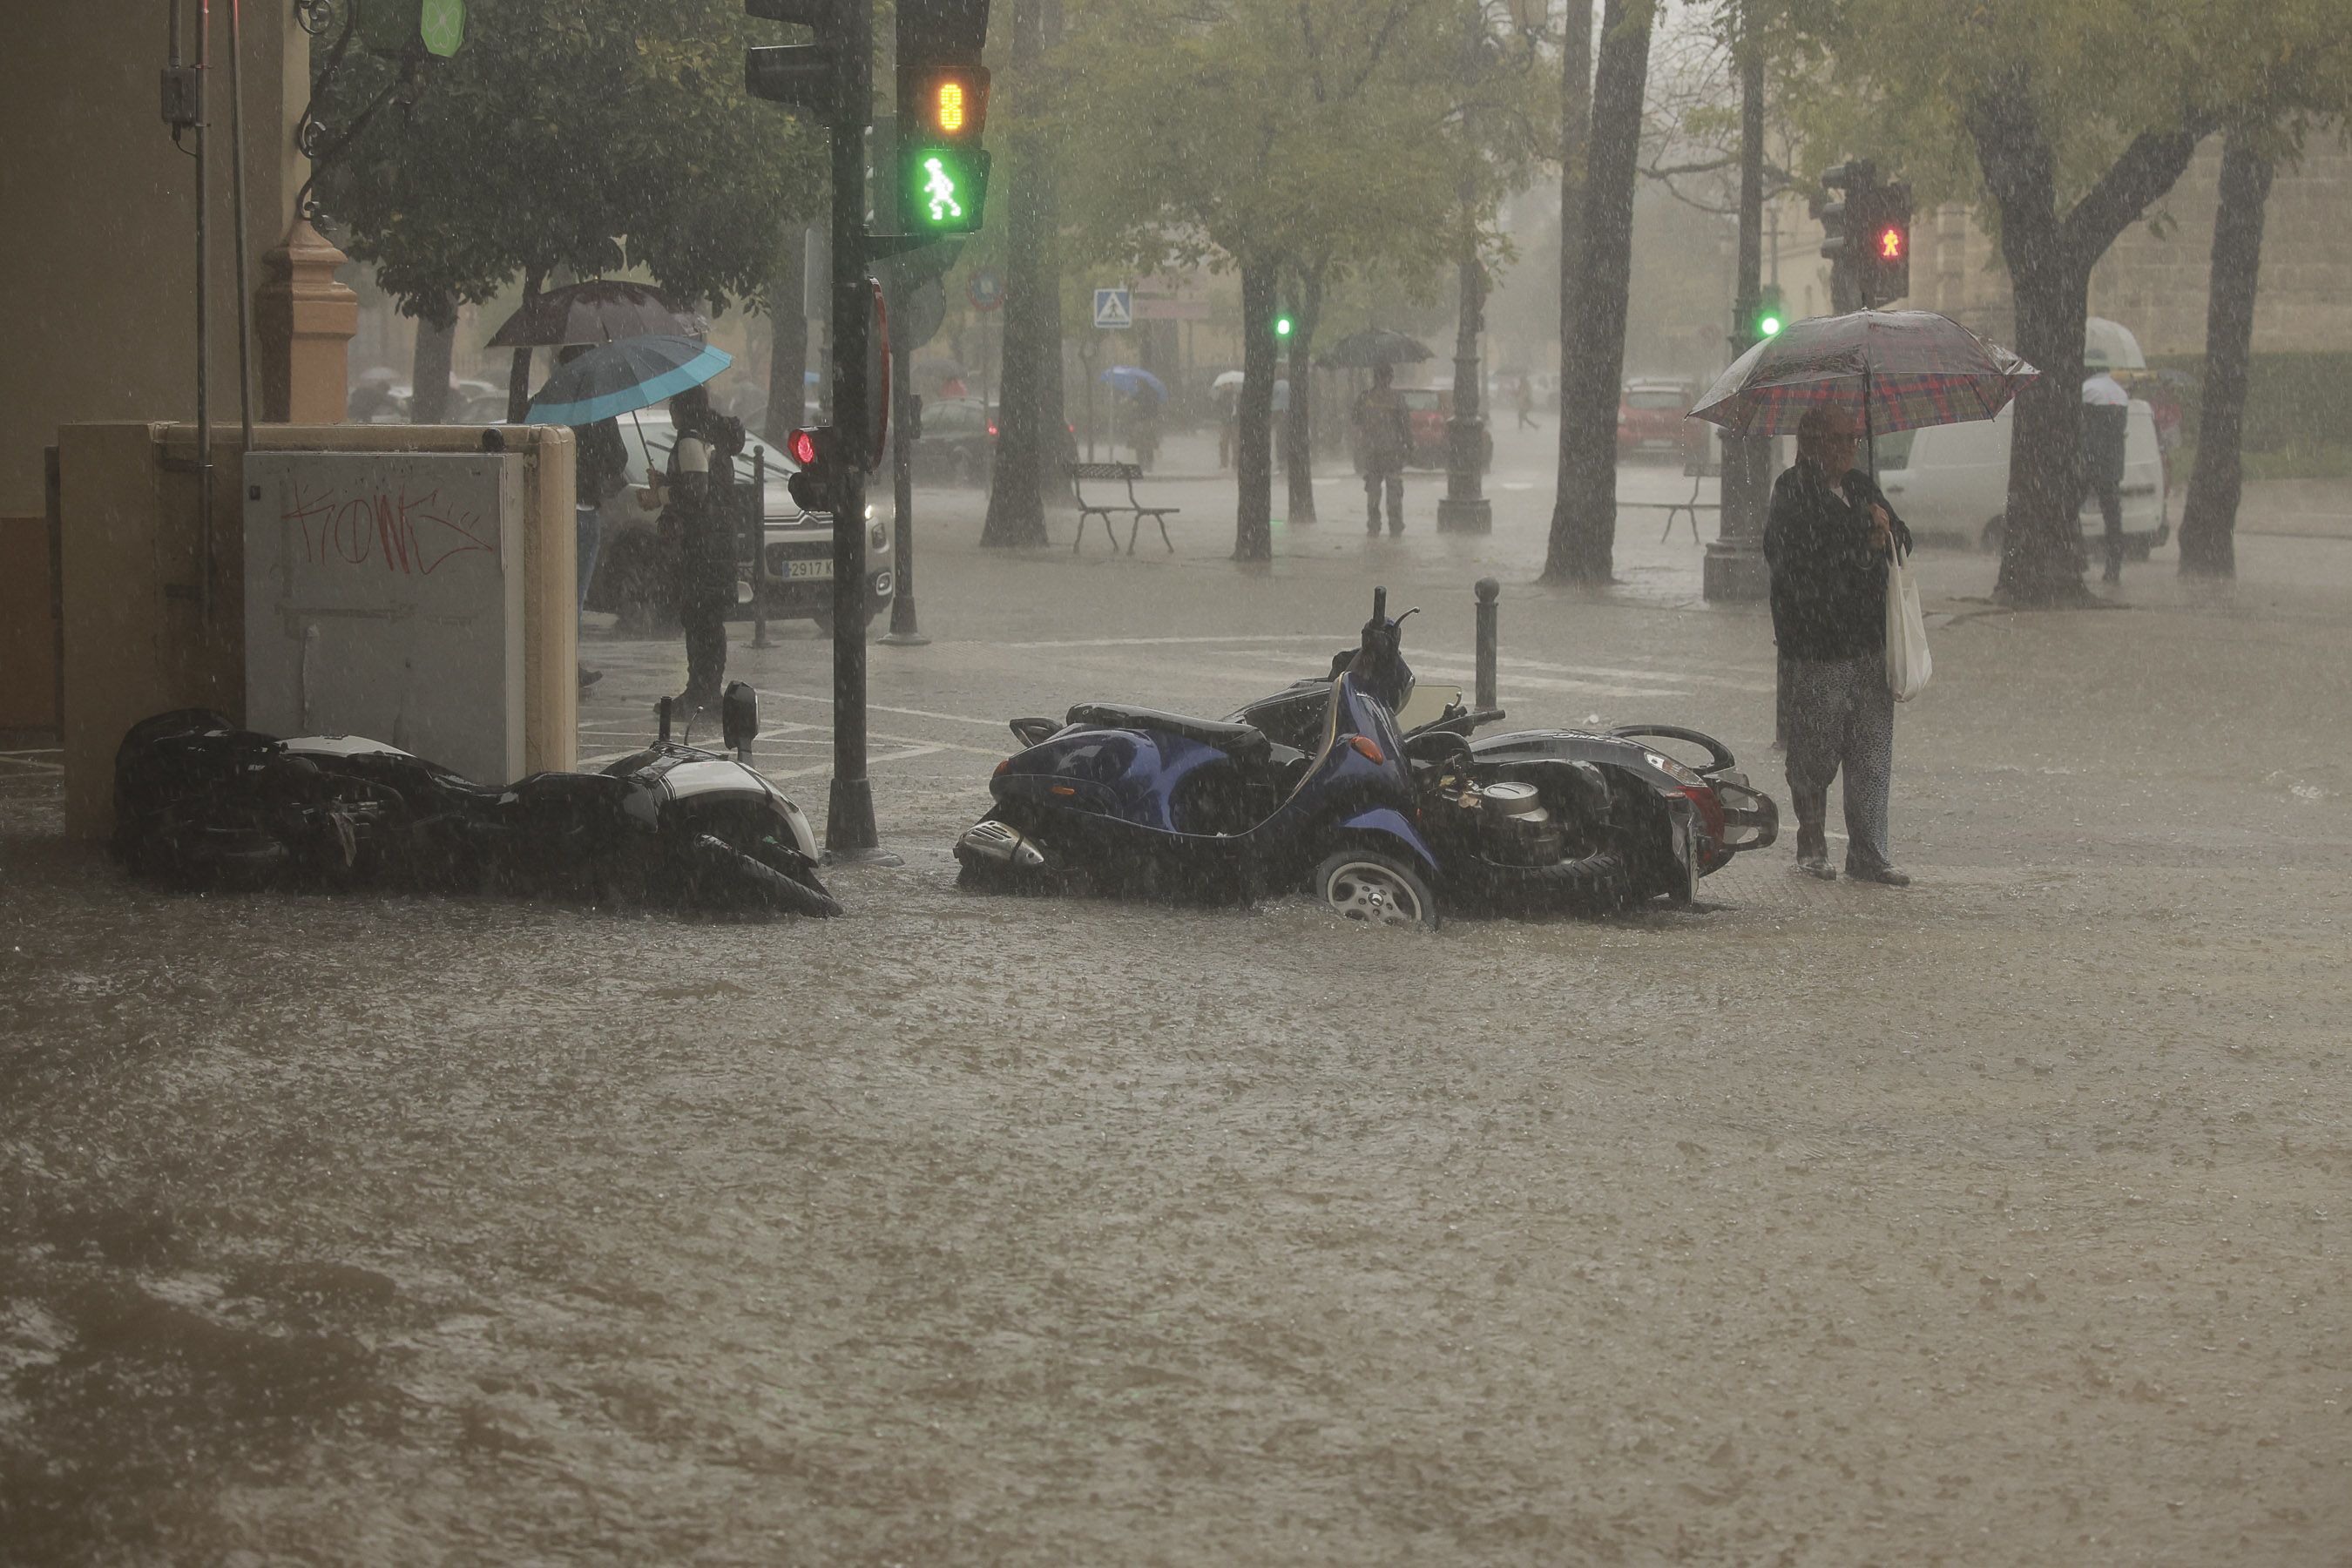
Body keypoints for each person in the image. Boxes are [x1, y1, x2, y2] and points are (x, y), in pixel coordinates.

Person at [1763, 405, 1915, 886]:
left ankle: (1869, 852)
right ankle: (1811, 846)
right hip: (1818, 644)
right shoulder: (1792, 489)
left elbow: (1903, 538)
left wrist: (1885, 528)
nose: (1851, 447)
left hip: (1870, 642)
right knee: (1815, 749)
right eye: (1840, 438)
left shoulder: (1861, 487)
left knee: (1871, 751)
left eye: (1853, 438)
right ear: (1813, 442)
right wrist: (1860, 533)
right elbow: (1795, 551)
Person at [655, 384, 744, 713]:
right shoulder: (713, 437)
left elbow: (694, 493)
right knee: (710, 620)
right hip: (719, 543)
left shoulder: (691, 439)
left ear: (681, 408)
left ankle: (700, 693)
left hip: (702, 546)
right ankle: (709, 691)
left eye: (672, 404)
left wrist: (661, 494)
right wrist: (666, 483)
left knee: (698, 619)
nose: (669, 412)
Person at [563, 346, 631, 693]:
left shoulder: (554, 404)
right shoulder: (598, 410)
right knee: (574, 595)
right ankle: (566, 665)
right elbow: (618, 455)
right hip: (584, 511)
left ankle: (559, 663)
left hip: (554, 507)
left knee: (554, 593)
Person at [2080, 356, 2131, 585]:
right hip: (2112, 465)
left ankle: (2076, 558)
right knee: (2113, 516)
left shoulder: (2087, 390)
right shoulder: (2121, 393)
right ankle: (2114, 567)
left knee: (2070, 509)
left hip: (2089, 461)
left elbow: (2081, 428)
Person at [1350, 363, 1411, 536]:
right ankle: (1395, 525)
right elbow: (1405, 425)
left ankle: (1374, 525)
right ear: (1390, 378)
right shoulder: (1397, 399)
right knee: (1394, 490)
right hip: (1392, 452)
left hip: (1372, 451)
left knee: (1373, 491)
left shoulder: (1365, 398)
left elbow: (1355, 419)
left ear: (1375, 377)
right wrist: (1410, 445)